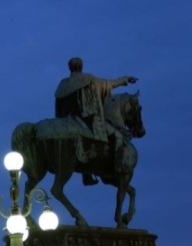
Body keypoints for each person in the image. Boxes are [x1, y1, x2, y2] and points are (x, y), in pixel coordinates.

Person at [54, 57, 137, 185]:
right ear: (81, 67)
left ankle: (86, 176)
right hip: (88, 119)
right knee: (117, 135)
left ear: (70, 68)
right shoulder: (89, 80)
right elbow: (110, 84)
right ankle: (118, 167)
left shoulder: (63, 84)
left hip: (67, 120)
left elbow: (59, 105)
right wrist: (124, 79)